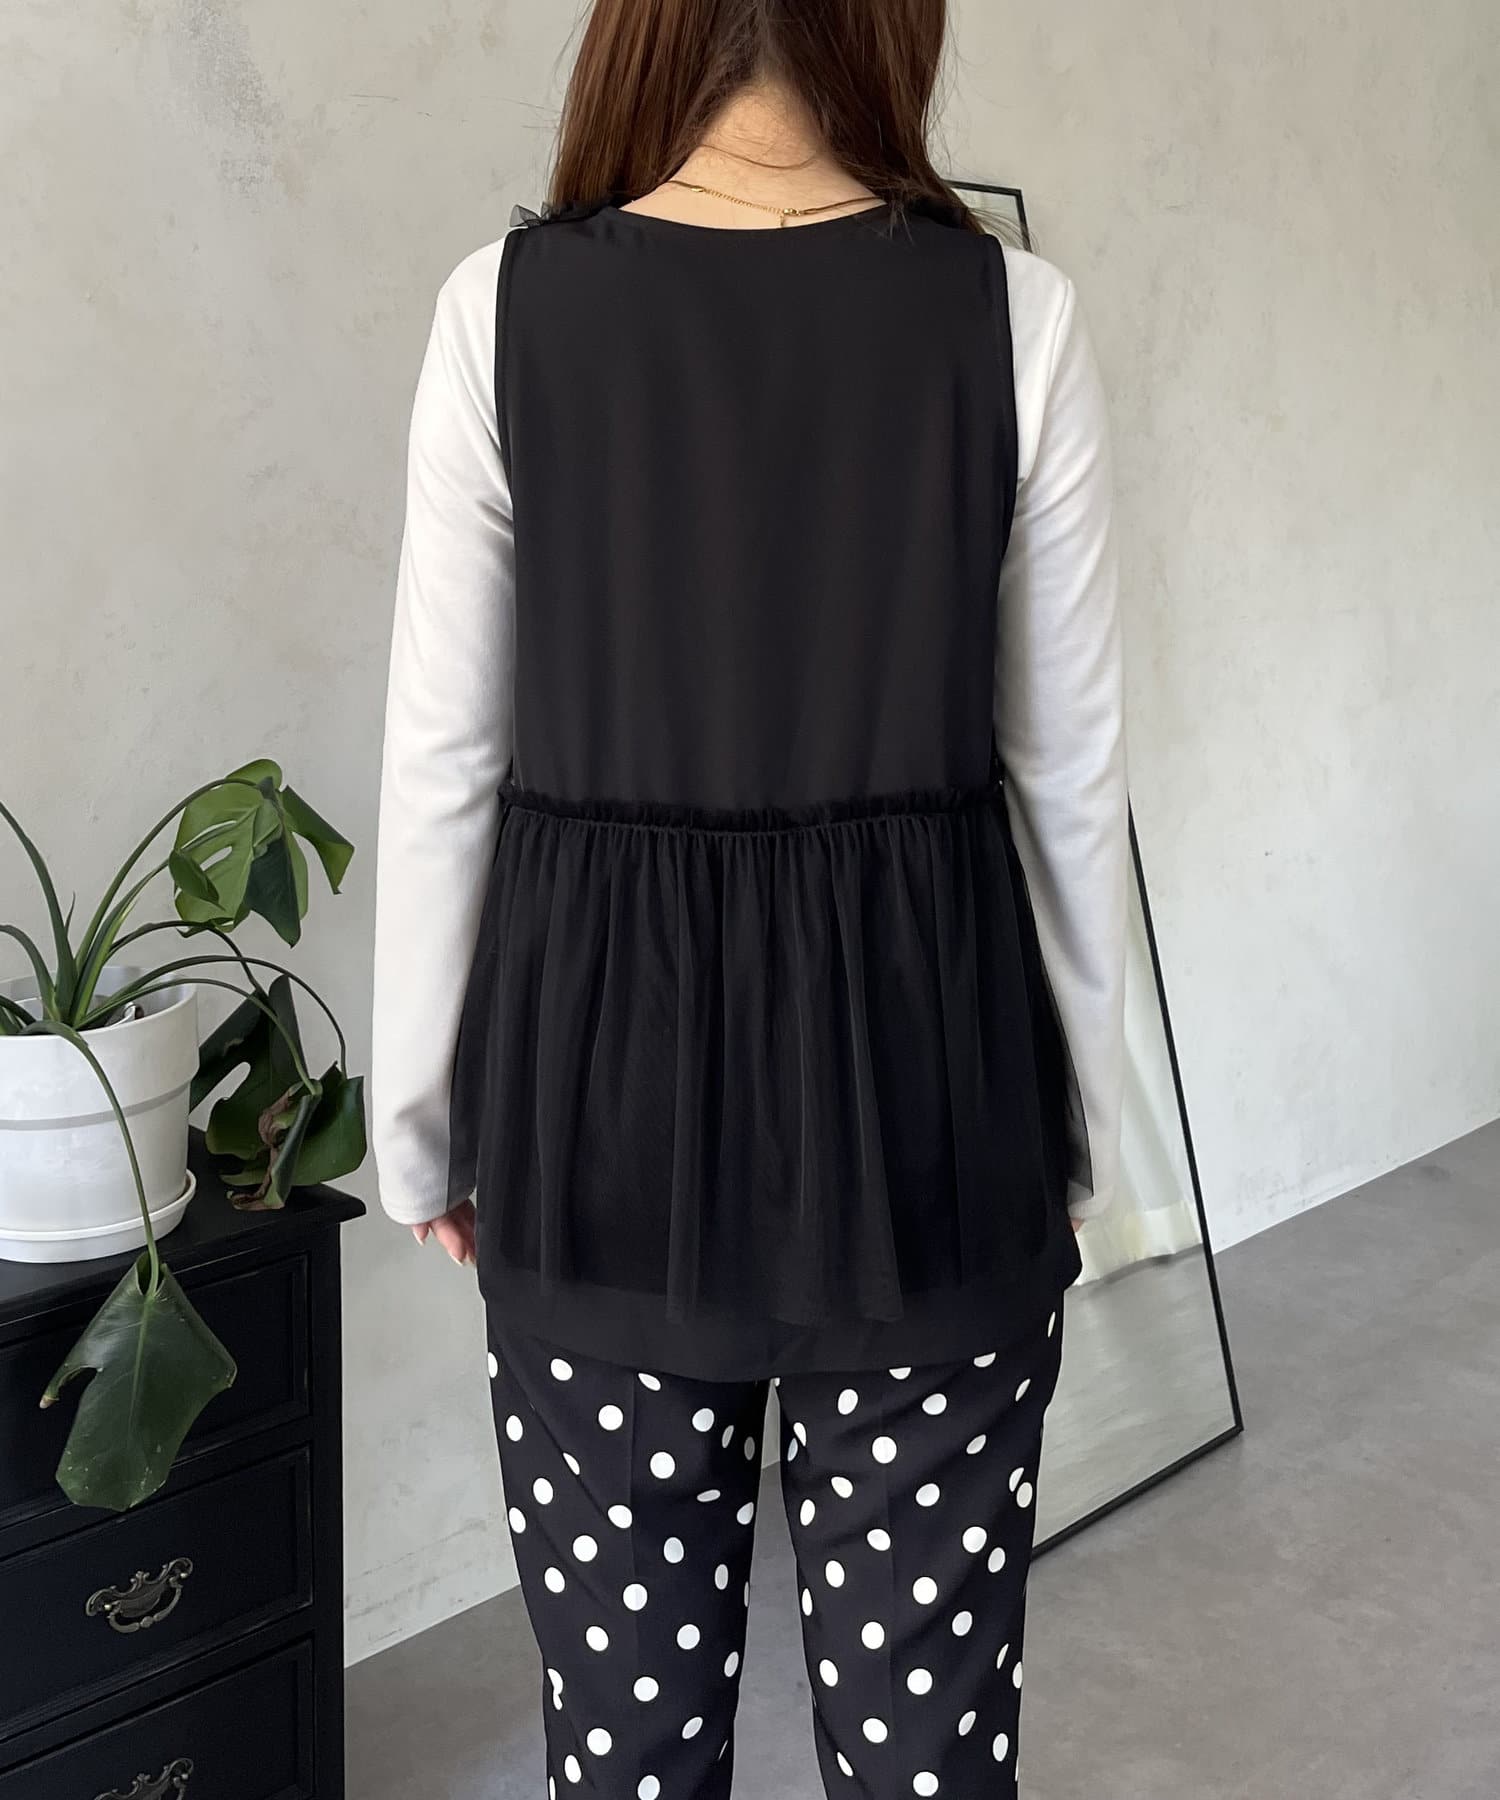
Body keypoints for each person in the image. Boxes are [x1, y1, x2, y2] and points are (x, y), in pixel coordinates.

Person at [371, 1, 1128, 1792]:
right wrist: (1084, 1130)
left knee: (625, 1741)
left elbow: (443, 762)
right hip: (935, 1111)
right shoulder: (1014, 315)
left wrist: (419, 1129)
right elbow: (1071, 780)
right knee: (930, 1739)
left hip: (596, 1115)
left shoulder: (501, 312)